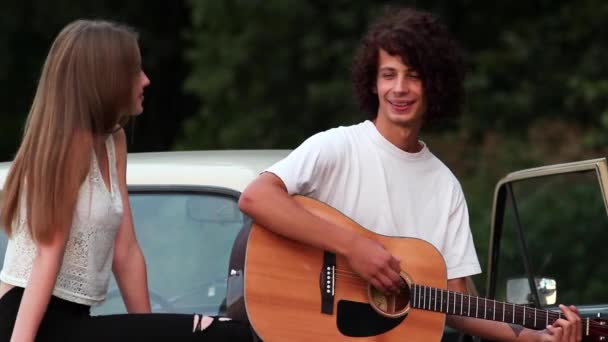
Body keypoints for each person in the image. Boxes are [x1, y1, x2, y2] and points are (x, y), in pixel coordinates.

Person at [238, 7, 582, 342]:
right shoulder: (337, 147)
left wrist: (535, 339)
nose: (399, 88)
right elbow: (256, 197)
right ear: (373, 83)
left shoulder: (444, 186)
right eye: (389, 74)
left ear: (434, 85)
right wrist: (353, 246)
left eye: (413, 75)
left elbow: (457, 305)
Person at [0, 19, 252, 341]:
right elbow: (48, 253)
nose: (145, 80)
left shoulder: (112, 140)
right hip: (33, 317)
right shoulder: (70, 146)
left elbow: (126, 251)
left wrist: (150, 331)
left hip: (74, 317)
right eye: (134, 71)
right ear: (106, 79)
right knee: (227, 337)